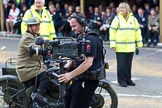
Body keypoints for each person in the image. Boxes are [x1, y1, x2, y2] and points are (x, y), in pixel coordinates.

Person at [58, 12, 103, 108]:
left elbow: (88, 62)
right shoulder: (81, 36)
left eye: (74, 26)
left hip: (88, 80)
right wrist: (70, 63)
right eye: (71, 26)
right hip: (79, 77)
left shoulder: (91, 38)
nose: (73, 29)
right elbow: (79, 57)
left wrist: (70, 74)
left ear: (82, 23)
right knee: (67, 101)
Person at [16, 17, 49, 104]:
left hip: (33, 66)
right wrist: (45, 50)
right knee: (44, 76)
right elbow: (35, 49)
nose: (37, 27)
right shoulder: (27, 38)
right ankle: (37, 101)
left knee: (51, 71)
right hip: (26, 68)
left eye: (38, 25)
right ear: (29, 27)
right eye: (35, 25)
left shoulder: (35, 36)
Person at [109, 2, 143, 87]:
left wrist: (139, 43)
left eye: (123, 8)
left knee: (128, 64)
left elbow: (137, 31)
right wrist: (113, 44)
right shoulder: (117, 19)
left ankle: (128, 79)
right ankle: (121, 81)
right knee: (121, 65)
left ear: (127, 9)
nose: (121, 9)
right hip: (120, 47)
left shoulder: (133, 19)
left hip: (130, 47)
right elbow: (112, 32)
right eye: (120, 8)